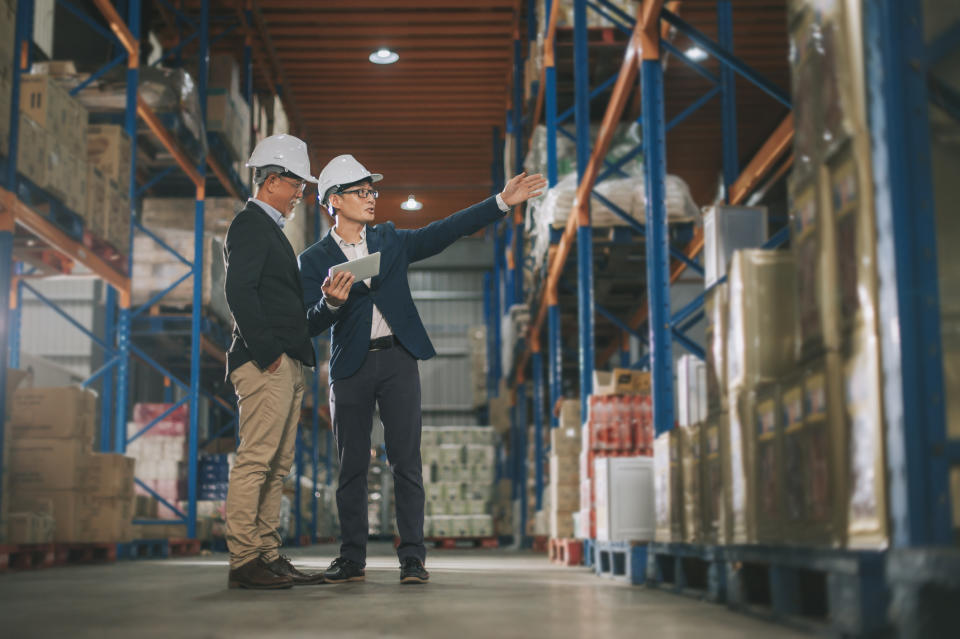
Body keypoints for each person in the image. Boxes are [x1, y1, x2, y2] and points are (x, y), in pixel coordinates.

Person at [299, 154, 546, 584]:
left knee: (406, 463)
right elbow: (306, 323)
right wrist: (330, 304)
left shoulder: (390, 240)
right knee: (351, 466)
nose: (371, 198)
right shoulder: (312, 259)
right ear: (334, 200)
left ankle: (412, 557)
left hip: (398, 359)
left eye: (371, 191)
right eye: (361, 192)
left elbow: (443, 232)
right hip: (350, 367)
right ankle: (351, 558)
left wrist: (501, 203)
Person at [223, 134, 325, 589]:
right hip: (265, 363)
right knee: (257, 461)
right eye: (297, 183)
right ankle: (245, 560)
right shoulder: (249, 224)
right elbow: (238, 292)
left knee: (278, 465)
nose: (302, 192)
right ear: (272, 181)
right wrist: (268, 355)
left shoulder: (272, 230)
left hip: (288, 362)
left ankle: (267, 551)